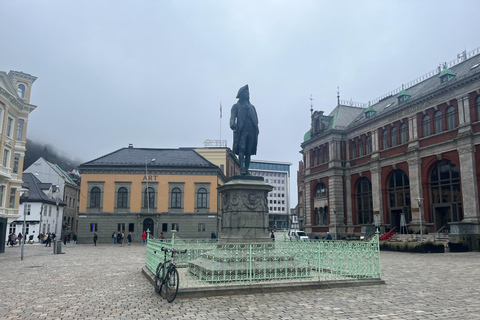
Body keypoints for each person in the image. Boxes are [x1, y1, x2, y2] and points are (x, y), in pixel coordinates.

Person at [230, 84, 259, 175]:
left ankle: (246, 169)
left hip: (252, 131)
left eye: (248, 93)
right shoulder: (236, 106)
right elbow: (232, 117)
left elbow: (256, 120)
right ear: (242, 94)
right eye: (246, 93)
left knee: (249, 151)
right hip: (242, 130)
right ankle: (241, 168)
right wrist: (232, 124)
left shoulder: (252, 107)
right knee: (242, 149)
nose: (248, 94)